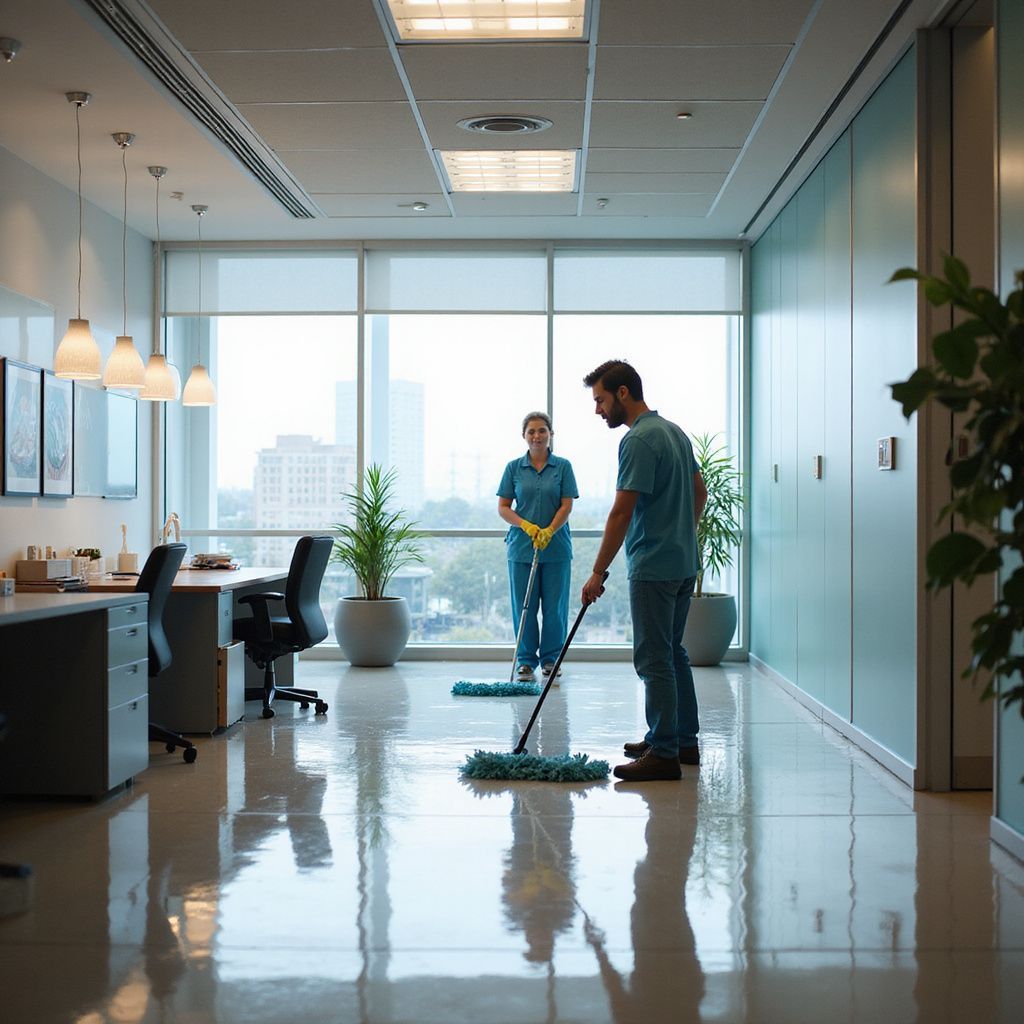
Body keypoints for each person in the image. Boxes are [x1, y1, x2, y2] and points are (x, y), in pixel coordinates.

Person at [581, 360, 707, 782]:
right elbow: (700, 490)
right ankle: (679, 740)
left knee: (654, 658)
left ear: (621, 393)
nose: (598, 410)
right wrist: (681, 534)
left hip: (654, 566)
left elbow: (621, 511)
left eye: (600, 399)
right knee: (673, 652)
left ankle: (664, 754)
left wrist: (597, 572)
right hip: (683, 562)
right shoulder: (673, 431)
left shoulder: (637, 441)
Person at [498, 412, 578, 682]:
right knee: (524, 606)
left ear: (550, 434)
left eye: (542, 430)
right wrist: (527, 526)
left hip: (556, 548)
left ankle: (551, 660)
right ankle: (525, 661)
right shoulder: (513, 468)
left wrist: (549, 530)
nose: (537, 436)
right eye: (531, 431)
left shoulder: (563, 467)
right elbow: (504, 508)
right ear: (524, 436)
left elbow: (567, 505)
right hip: (521, 548)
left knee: (555, 607)